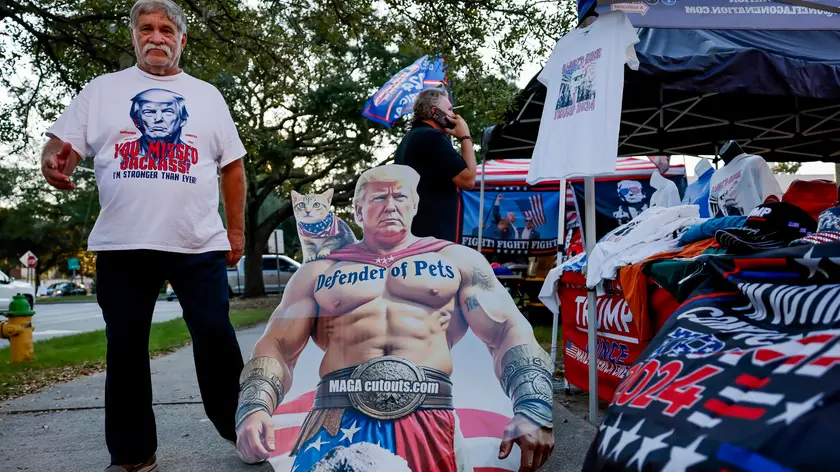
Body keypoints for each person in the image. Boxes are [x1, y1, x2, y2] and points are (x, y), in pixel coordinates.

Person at [235, 165, 554, 471]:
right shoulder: (318, 272)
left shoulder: (457, 261)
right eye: (378, 198)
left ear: (414, 205)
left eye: (399, 197)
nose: (390, 206)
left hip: (429, 415)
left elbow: (508, 329)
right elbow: (278, 344)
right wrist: (254, 407)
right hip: (336, 416)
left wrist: (534, 407)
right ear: (358, 211)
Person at [40, 1, 247, 470]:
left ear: (182, 40)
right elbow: (63, 144)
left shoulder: (208, 96)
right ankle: (134, 454)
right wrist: (54, 160)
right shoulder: (102, 91)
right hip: (123, 243)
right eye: (147, 28)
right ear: (133, 36)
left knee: (216, 338)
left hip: (198, 243)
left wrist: (235, 231)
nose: (157, 37)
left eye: (166, 29)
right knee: (127, 345)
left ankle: (246, 432)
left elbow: (233, 167)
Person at [394, 88, 477, 243]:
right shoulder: (432, 137)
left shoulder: (408, 139)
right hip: (433, 236)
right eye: (450, 110)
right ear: (434, 111)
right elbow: (468, 180)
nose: (454, 116)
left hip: (412, 232)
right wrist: (465, 137)